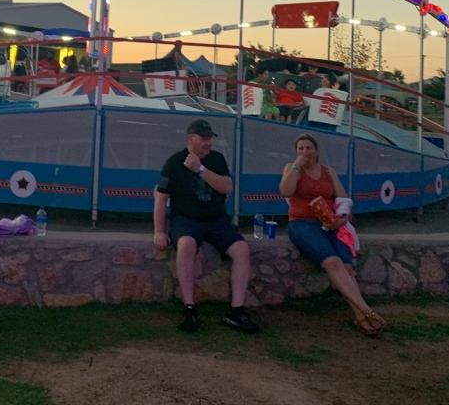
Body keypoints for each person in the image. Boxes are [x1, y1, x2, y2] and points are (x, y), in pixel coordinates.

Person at [153, 119, 259, 334]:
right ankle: (189, 308)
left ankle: (236, 311)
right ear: (191, 139)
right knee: (186, 246)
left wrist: (200, 169)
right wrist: (159, 231)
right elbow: (161, 199)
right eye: (204, 138)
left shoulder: (217, 159)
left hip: (216, 219)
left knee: (241, 249)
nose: (208, 142)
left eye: (210, 138)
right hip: (186, 219)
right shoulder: (174, 162)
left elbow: (227, 186)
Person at [279, 134, 386, 335]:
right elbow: (285, 191)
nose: (305, 152)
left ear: (317, 151)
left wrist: (342, 218)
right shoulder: (292, 168)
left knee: (346, 267)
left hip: (330, 224)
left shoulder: (328, 172)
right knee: (333, 263)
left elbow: (343, 198)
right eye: (300, 149)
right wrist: (296, 166)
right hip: (302, 224)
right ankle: (367, 311)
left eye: (308, 148)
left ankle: (360, 317)